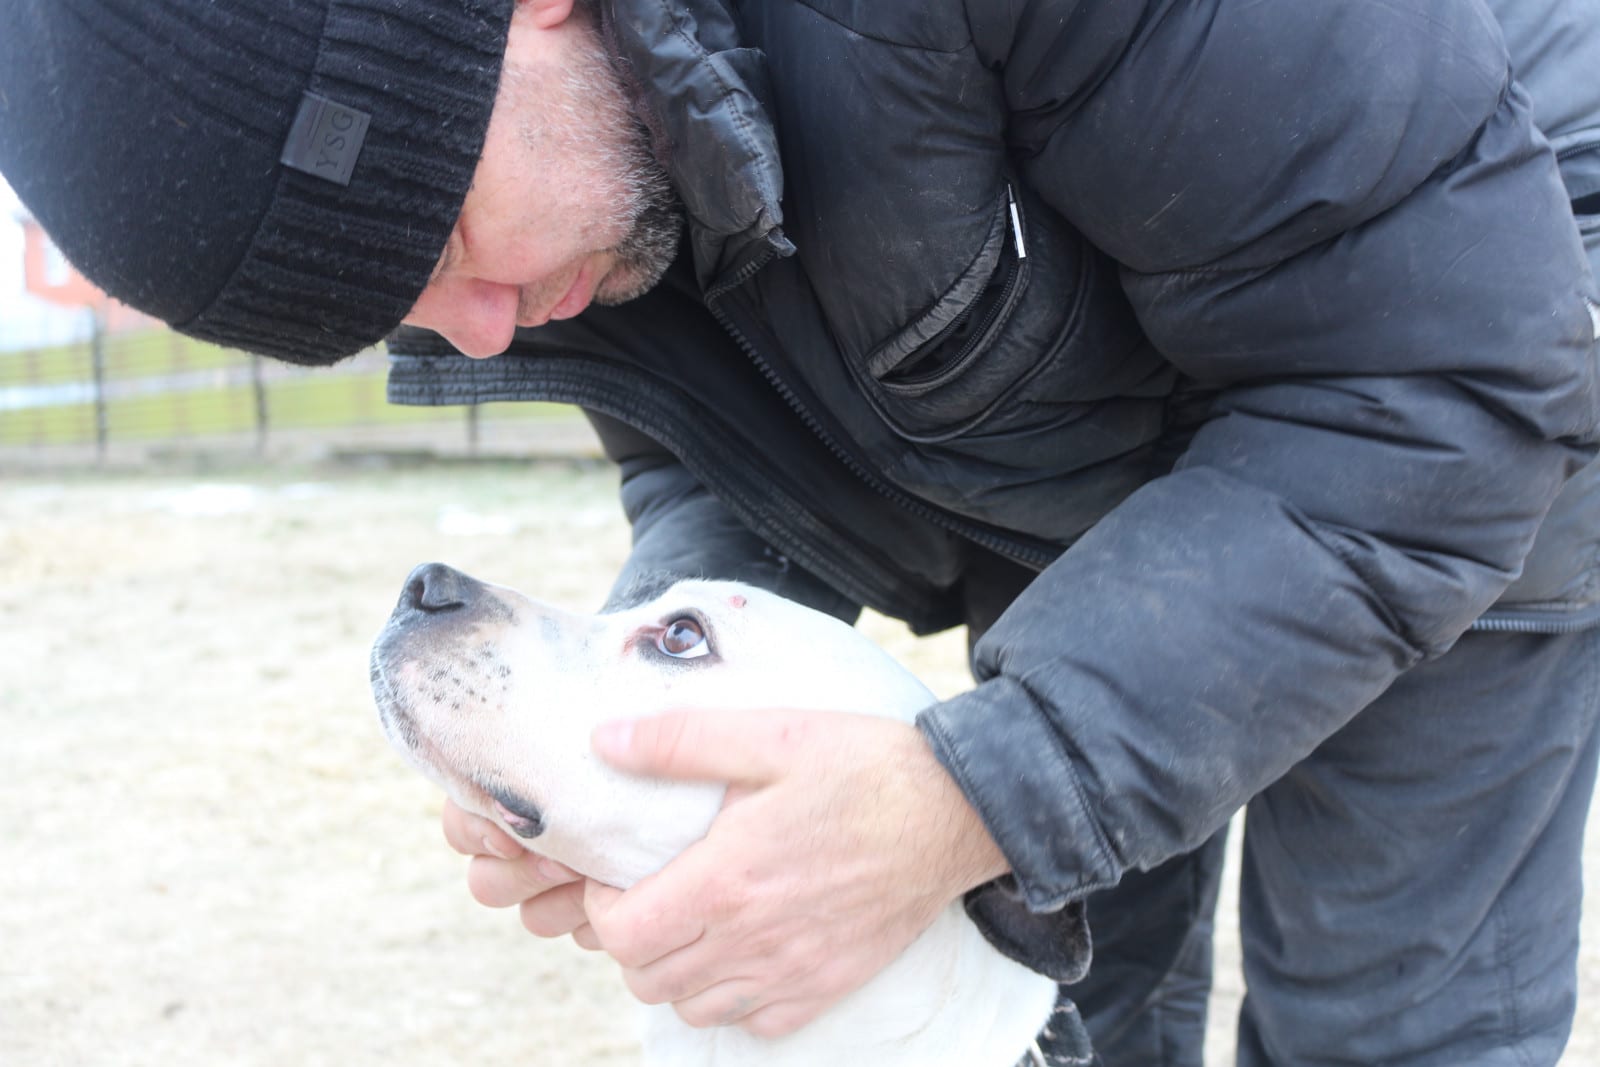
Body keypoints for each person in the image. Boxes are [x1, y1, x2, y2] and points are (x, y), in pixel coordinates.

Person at [5, 0, 1600, 1062]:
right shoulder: (564, 153)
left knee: (1388, 1008)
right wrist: (649, 734)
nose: (478, 337)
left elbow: (1436, 379)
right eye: (402, 315)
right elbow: (729, 441)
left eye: (444, 244)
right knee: (1059, 978)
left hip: (1471, 301)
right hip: (1111, 365)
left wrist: (978, 792)